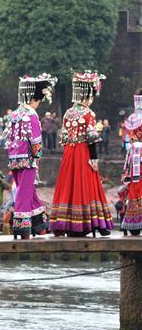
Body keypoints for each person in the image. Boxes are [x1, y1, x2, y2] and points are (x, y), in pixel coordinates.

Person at [50, 71, 113, 237]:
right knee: (88, 186)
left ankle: (68, 223)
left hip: (69, 153)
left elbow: (63, 138)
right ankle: (92, 223)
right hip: (84, 152)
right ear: (87, 95)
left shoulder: (68, 113)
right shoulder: (88, 113)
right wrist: (94, 159)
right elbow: (91, 137)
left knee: (69, 186)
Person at [6, 74, 57, 239]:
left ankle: (39, 226)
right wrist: (38, 156)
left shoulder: (14, 114)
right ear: (34, 99)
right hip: (27, 159)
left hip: (14, 158)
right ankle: (21, 228)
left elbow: (10, 138)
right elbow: (36, 140)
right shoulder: (32, 115)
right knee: (23, 193)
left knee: (28, 192)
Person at [119, 91, 142, 235]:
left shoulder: (132, 118)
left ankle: (133, 220)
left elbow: (132, 136)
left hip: (134, 154)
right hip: (137, 155)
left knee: (134, 185)